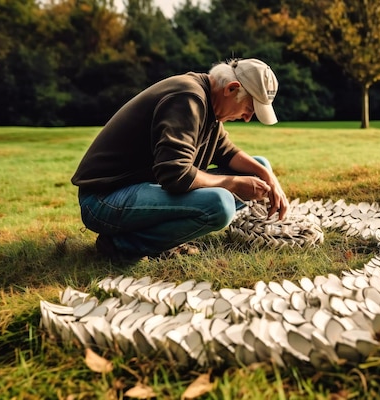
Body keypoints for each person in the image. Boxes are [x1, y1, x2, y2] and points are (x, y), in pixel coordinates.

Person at [71, 58, 289, 261]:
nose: (247, 118)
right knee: (219, 204)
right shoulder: (188, 98)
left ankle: (148, 238)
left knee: (258, 167)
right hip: (104, 200)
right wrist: (230, 183)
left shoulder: (209, 102)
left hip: (140, 190)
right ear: (231, 89)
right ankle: (122, 245)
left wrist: (269, 177)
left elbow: (227, 152)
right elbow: (175, 175)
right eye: (249, 109)